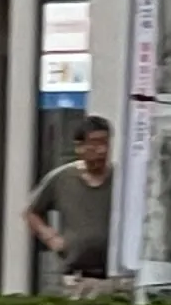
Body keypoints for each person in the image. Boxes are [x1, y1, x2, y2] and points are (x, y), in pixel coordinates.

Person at [24, 113, 114, 288]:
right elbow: (32, 212)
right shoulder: (62, 178)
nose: (101, 150)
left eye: (105, 143)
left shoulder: (121, 179)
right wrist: (51, 238)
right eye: (94, 143)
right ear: (79, 147)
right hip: (76, 275)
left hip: (114, 276)